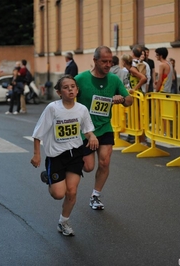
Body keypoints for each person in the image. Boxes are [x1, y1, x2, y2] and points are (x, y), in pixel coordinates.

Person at [31, 75, 98, 236]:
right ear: (59, 92)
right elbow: (38, 133)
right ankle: (49, 178)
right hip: (56, 156)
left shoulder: (81, 109)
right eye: (66, 87)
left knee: (72, 192)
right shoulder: (53, 109)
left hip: (75, 154)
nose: (70, 90)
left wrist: (92, 137)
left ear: (77, 89)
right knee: (58, 194)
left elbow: (87, 130)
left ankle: (63, 222)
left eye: (73, 86)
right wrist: (36, 155)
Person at [75, 46, 133, 210]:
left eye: (110, 61)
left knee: (105, 161)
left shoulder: (114, 80)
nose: (108, 65)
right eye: (104, 61)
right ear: (95, 61)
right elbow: (68, 96)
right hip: (85, 130)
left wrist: (121, 99)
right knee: (88, 167)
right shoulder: (80, 79)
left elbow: (130, 100)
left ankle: (95, 196)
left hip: (105, 127)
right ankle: (71, 164)